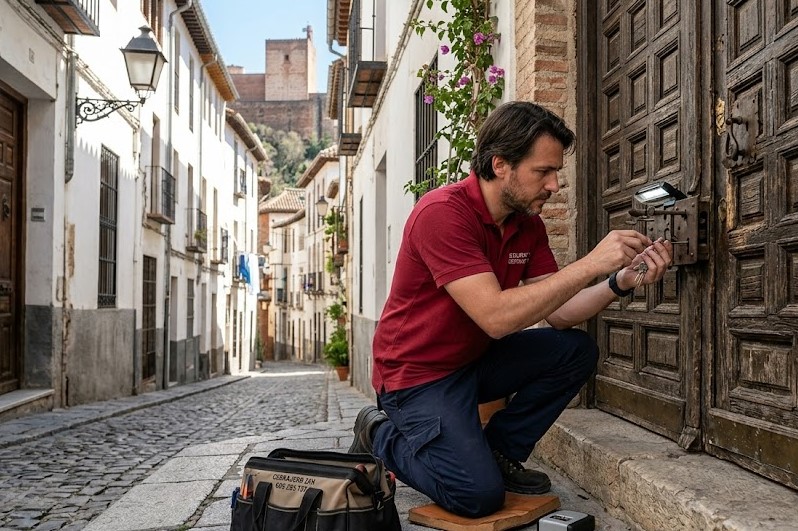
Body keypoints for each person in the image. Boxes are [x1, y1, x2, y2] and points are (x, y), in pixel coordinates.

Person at [348, 101, 673, 518]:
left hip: (473, 363)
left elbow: (558, 312)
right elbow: (497, 318)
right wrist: (591, 262)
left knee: (575, 350)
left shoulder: (527, 224)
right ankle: (378, 432)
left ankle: (498, 451)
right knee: (476, 498)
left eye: (556, 172)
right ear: (500, 164)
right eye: (543, 172)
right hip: (416, 377)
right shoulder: (442, 214)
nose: (555, 185)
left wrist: (619, 281)